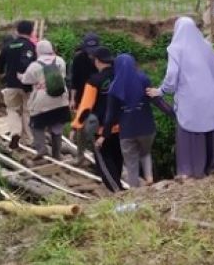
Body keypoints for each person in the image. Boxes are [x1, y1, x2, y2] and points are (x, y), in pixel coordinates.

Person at [148, 17, 214, 180]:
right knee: (210, 130)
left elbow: (171, 76)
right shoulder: (206, 46)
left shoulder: (176, 48)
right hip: (211, 97)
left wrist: (161, 91)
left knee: (191, 131)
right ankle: (210, 169)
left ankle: (191, 172)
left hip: (191, 99)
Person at [105, 53, 161, 188]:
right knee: (145, 152)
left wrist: (104, 135)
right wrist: (174, 114)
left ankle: (135, 189)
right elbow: (157, 101)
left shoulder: (114, 87)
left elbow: (111, 116)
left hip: (127, 131)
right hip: (147, 128)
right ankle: (149, 177)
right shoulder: (143, 79)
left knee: (131, 162)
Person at [73, 46, 123, 190]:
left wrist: (76, 126)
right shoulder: (119, 76)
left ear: (97, 61)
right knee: (117, 157)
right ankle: (118, 185)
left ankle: (117, 191)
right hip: (121, 126)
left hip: (101, 128)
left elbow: (85, 107)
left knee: (104, 162)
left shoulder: (94, 81)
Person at [19, 40, 72, 161]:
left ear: (38, 51)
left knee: (36, 125)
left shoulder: (35, 65)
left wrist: (21, 76)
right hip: (61, 98)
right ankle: (57, 154)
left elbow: (26, 81)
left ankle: (41, 148)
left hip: (43, 100)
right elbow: (62, 76)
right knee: (57, 126)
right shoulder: (60, 61)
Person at [0, 20, 37, 150]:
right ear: (31, 32)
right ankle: (29, 139)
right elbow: (32, 64)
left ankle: (15, 133)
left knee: (12, 109)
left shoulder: (8, 46)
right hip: (27, 85)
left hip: (11, 84)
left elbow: (0, 65)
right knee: (27, 111)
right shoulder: (30, 46)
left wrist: (2, 72)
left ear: (17, 31)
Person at [68, 32, 102, 164]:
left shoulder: (103, 58)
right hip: (83, 97)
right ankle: (80, 155)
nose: (91, 54)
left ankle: (99, 157)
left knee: (99, 127)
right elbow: (74, 81)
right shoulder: (78, 59)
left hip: (99, 97)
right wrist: (72, 99)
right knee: (81, 126)